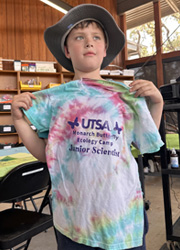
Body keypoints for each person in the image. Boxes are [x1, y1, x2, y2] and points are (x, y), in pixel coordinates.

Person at [11, 4, 164, 250]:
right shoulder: (54, 99)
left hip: (122, 215)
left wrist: (157, 103)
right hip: (74, 220)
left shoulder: (125, 96)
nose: (88, 43)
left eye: (96, 38)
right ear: (67, 50)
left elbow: (144, 142)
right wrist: (19, 121)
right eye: (79, 38)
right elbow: (45, 154)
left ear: (105, 50)